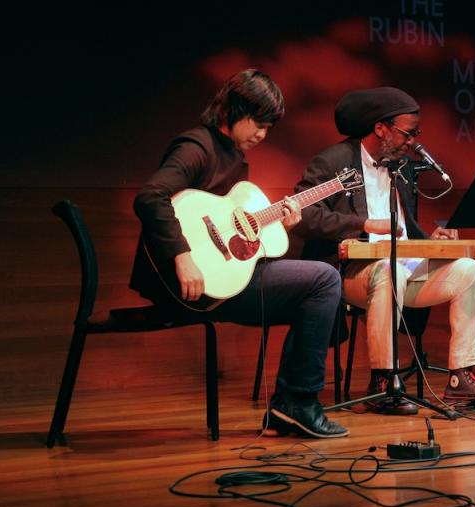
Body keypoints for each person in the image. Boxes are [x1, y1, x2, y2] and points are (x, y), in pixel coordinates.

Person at [130, 69, 348, 438]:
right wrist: (182, 256)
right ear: (233, 109)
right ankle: (297, 403)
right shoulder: (197, 147)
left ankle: (291, 404)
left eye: (269, 126)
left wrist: (281, 227)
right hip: (182, 286)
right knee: (324, 279)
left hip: (218, 282)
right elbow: (150, 196)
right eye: (258, 123)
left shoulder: (231, 157)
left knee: (316, 285)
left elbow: (231, 244)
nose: (263, 134)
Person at [292, 86, 475, 415]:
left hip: (402, 268)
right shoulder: (334, 161)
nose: (412, 141)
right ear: (380, 129)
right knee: (387, 271)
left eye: (417, 133)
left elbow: (405, 229)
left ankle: (462, 376)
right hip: (351, 276)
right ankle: (382, 380)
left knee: (469, 270)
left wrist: (431, 238)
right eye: (408, 132)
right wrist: (363, 224)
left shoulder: (399, 169)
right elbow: (303, 215)